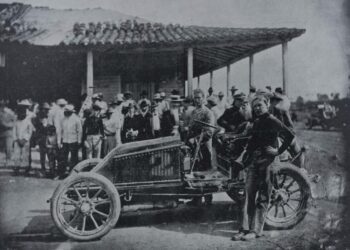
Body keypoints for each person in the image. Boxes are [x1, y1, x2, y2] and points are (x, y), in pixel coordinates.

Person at [232, 96, 294, 241]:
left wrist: (278, 151)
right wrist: (245, 157)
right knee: (248, 194)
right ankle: (244, 229)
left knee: (263, 196)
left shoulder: (272, 120)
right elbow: (253, 142)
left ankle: (255, 230)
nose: (257, 108)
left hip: (269, 161)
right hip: (254, 160)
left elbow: (289, 135)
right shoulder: (256, 121)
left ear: (266, 104)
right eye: (255, 107)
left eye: (260, 105)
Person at [270, 92, 304, 168]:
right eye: (275, 101)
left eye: (277, 101)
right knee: (298, 152)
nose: (276, 102)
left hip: (280, 135)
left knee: (296, 150)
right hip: (279, 135)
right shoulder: (277, 110)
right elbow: (290, 124)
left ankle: (300, 168)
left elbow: (290, 125)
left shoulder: (275, 110)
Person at [187, 89, 215, 172]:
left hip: (203, 147)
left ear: (203, 98)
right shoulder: (193, 112)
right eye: (195, 98)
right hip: (193, 147)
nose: (197, 100)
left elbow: (209, 132)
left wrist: (195, 139)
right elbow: (191, 128)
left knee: (204, 171)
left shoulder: (208, 113)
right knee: (192, 170)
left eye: (199, 98)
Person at [58, 104, 82, 176]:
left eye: (67, 111)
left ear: (71, 112)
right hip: (65, 141)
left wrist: (79, 141)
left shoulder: (76, 119)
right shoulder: (62, 119)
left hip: (73, 141)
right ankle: (62, 173)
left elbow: (79, 131)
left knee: (74, 158)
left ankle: (73, 173)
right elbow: (60, 131)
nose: (66, 113)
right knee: (63, 157)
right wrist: (59, 141)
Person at [13, 101, 35, 174]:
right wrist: (17, 139)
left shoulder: (28, 119)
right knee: (17, 154)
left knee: (26, 154)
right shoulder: (16, 119)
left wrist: (25, 139)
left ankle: (26, 168)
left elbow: (30, 131)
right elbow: (14, 130)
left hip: (25, 140)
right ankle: (16, 167)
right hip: (17, 140)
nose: (22, 115)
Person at [32, 102, 51, 174]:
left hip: (49, 137)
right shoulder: (37, 118)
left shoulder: (50, 117)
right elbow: (36, 128)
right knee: (42, 154)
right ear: (41, 109)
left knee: (50, 154)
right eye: (44, 109)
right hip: (41, 137)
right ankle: (43, 168)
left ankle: (50, 168)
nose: (46, 111)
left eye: (47, 110)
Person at [0, 99, 16, 167]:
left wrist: (8, 125)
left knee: (8, 147)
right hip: (1, 131)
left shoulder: (10, 112)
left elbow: (14, 121)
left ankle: (8, 161)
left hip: (8, 132)